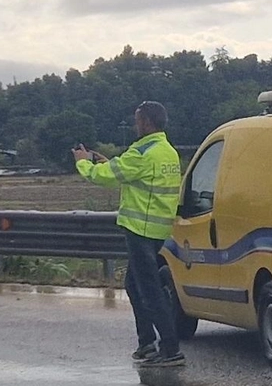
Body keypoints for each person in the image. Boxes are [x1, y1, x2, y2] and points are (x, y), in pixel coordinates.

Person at [73, 101, 185, 369]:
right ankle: (147, 343)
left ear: (146, 122)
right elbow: (130, 172)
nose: (136, 125)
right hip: (158, 228)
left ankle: (170, 349)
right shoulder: (167, 151)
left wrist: (83, 164)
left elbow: (107, 177)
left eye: (137, 120)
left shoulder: (142, 152)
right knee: (135, 286)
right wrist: (108, 161)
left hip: (140, 229)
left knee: (149, 290)